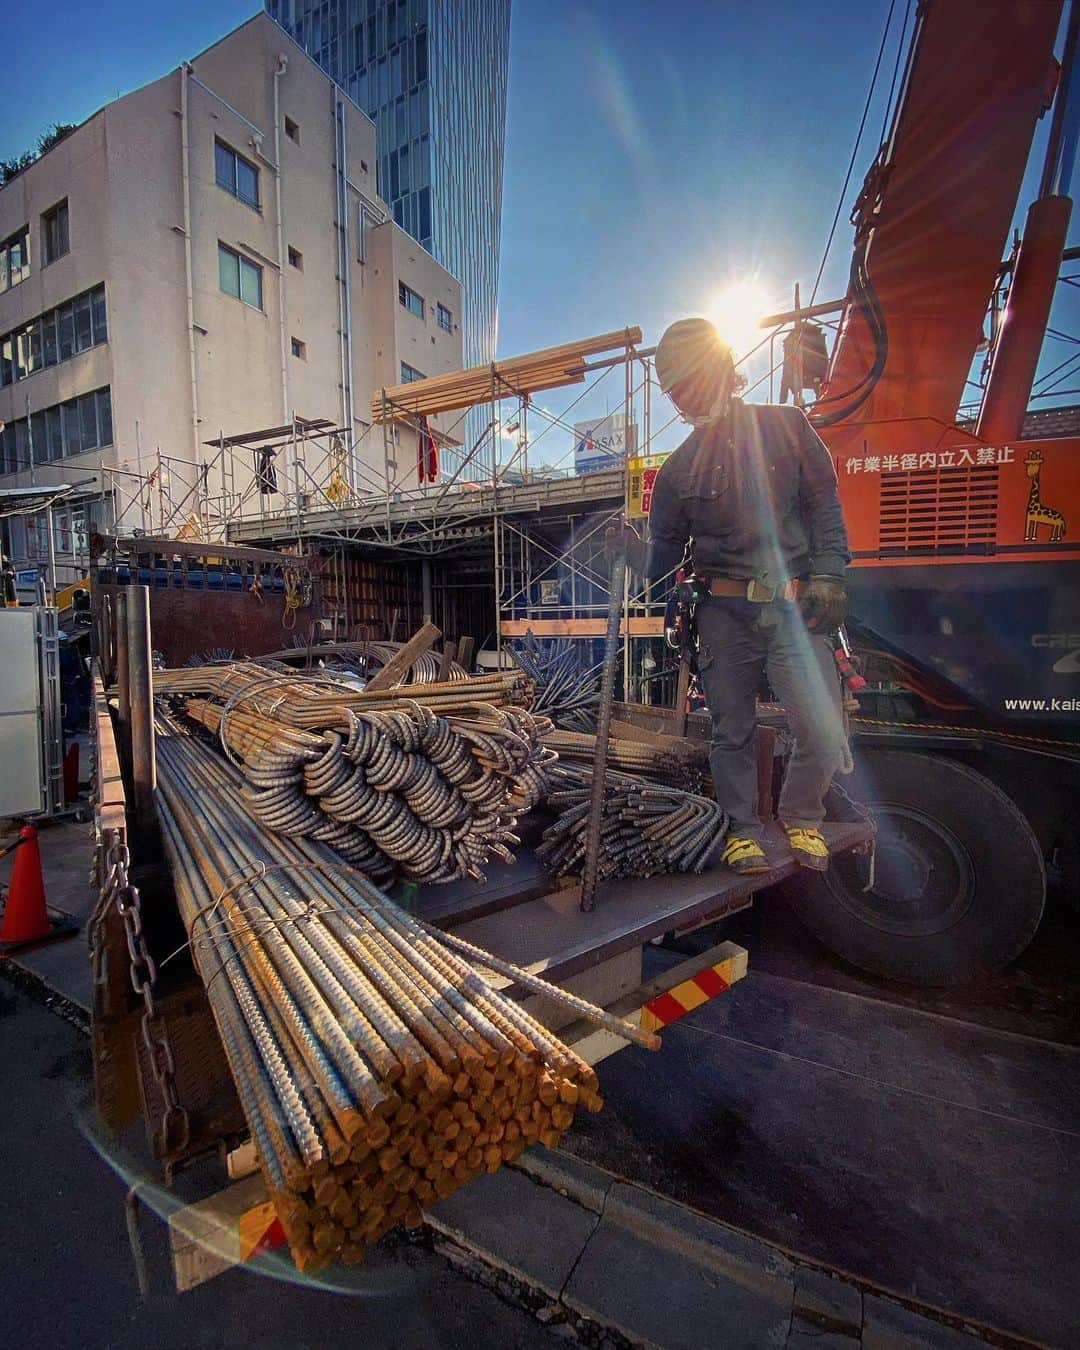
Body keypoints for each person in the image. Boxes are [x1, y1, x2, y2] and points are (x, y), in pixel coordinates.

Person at [642, 317, 851, 875]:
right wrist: (629, 550)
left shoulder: (787, 428)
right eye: (676, 392)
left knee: (822, 724)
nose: (685, 399)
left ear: (723, 370)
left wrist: (831, 574)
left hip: (793, 607)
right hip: (722, 612)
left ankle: (802, 815)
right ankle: (741, 830)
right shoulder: (677, 469)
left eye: (691, 384)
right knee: (731, 728)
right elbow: (660, 557)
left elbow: (826, 509)